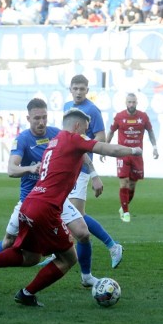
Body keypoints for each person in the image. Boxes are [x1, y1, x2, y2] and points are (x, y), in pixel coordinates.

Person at [0, 108, 142, 306]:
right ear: (77, 126)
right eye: (85, 130)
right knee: (69, 258)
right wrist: (134, 151)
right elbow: (108, 149)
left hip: (30, 204)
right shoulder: (72, 139)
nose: (85, 135)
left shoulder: (53, 143)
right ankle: (27, 293)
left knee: (31, 257)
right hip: (47, 209)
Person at [0, 98, 100, 289]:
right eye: (37, 118)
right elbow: (11, 169)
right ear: (28, 118)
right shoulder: (22, 139)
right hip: (29, 201)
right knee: (8, 241)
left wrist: (94, 174)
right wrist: (30, 169)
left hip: (56, 200)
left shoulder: (57, 134)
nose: (41, 122)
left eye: (44, 117)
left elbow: (81, 152)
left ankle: (87, 276)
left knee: (83, 234)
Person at [63, 74, 124, 268]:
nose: (79, 92)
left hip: (81, 168)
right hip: (66, 167)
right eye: (76, 88)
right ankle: (62, 250)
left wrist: (88, 159)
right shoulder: (67, 107)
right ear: (70, 89)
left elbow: (101, 138)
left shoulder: (92, 110)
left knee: (76, 215)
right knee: (64, 212)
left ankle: (112, 246)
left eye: (82, 89)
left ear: (87, 90)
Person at [105, 92, 159, 223]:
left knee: (132, 185)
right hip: (122, 154)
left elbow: (151, 131)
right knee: (124, 182)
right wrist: (104, 148)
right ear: (125, 103)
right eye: (129, 102)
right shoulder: (119, 117)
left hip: (137, 155)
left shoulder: (143, 117)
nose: (131, 104)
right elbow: (111, 132)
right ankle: (126, 212)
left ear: (137, 103)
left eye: (133, 102)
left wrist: (155, 147)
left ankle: (123, 207)